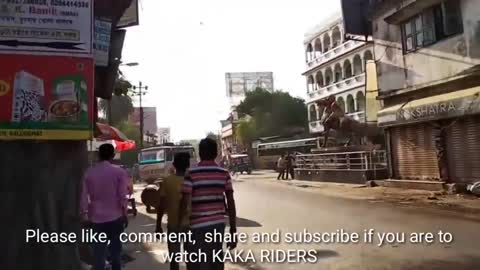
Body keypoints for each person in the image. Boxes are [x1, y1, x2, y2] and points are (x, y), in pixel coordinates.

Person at [179, 138, 237, 270]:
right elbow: (231, 203)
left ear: (200, 153)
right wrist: (233, 232)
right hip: (218, 226)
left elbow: (185, 204)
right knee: (216, 262)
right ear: (216, 153)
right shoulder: (224, 173)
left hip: (196, 228)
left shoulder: (191, 173)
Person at [81, 144, 129, 270]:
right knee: (116, 254)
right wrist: (124, 213)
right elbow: (122, 195)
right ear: (113, 155)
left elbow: (83, 196)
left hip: (96, 218)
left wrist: (85, 215)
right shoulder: (119, 172)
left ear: (98, 155)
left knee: (99, 255)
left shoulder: (89, 173)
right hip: (116, 217)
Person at [156, 152, 191, 270]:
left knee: (174, 260)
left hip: (173, 225)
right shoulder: (192, 181)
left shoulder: (167, 181)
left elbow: (161, 205)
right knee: (191, 259)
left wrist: (158, 225)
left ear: (174, 165)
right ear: (188, 165)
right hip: (191, 225)